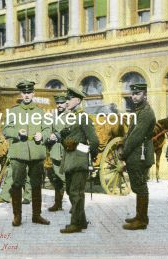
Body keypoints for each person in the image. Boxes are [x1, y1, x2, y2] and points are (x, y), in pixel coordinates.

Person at [2, 80, 51, 227]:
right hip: (18, 153)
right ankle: (17, 216)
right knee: (17, 184)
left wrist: (42, 136)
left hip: (36, 153)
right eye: (24, 92)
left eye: (29, 92)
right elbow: (5, 130)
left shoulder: (40, 112)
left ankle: (36, 215)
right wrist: (17, 133)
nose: (27, 95)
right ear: (21, 94)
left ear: (33, 93)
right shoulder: (14, 111)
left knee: (36, 185)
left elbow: (47, 129)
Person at [59, 87, 99, 234]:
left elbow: (94, 141)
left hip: (79, 162)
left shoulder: (83, 117)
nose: (67, 101)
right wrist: (64, 139)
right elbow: (69, 141)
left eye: (69, 99)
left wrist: (83, 151)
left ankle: (75, 224)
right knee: (70, 191)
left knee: (75, 192)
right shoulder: (71, 117)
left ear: (78, 100)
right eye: (66, 99)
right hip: (70, 161)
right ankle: (81, 221)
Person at [119, 83, 156, 230]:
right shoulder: (139, 111)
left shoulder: (146, 112)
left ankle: (142, 220)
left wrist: (124, 152)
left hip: (140, 154)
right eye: (133, 94)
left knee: (140, 187)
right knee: (138, 186)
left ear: (145, 95)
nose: (134, 96)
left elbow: (136, 136)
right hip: (136, 154)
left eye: (138, 93)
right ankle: (140, 216)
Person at [46, 94, 68, 212]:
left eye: (62, 103)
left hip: (67, 150)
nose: (59, 105)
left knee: (66, 177)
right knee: (56, 177)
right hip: (55, 150)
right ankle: (57, 204)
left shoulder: (70, 116)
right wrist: (49, 136)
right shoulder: (53, 116)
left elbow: (69, 131)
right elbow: (49, 129)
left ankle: (75, 204)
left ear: (66, 103)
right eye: (58, 103)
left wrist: (57, 135)